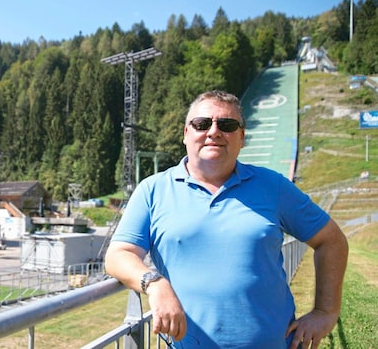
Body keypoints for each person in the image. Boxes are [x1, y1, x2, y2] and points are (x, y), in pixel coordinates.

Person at [105, 90, 348, 348]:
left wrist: (325, 312)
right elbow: (118, 255)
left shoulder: (273, 186)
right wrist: (155, 284)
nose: (214, 132)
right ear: (186, 134)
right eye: (202, 124)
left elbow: (331, 241)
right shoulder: (153, 190)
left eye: (227, 125)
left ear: (242, 137)